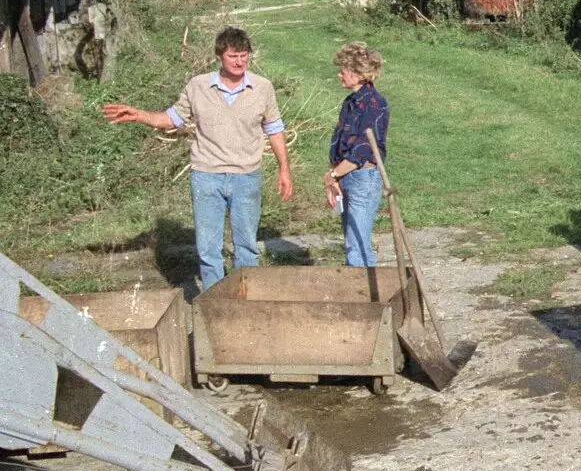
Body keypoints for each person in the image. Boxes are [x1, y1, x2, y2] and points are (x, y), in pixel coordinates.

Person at [102, 27, 292, 290]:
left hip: (246, 177)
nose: (239, 62)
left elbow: (274, 129)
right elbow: (171, 119)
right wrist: (138, 115)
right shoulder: (198, 86)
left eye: (244, 56)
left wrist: (284, 169)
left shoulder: (262, 88)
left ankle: (248, 301)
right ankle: (214, 303)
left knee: (246, 245)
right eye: (233, 56)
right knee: (207, 248)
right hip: (206, 177)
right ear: (219, 57)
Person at [324, 42, 390, 267]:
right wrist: (335, 176)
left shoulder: (373, 104)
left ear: (357, 72)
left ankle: (367, 297)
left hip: (363, 178)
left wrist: (333, 175)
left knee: (358, 248)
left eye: (343, 69)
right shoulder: (350, 102)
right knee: (353, 242)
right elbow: (341, 142)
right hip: (347, 175)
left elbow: (363, 148)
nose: (339, 74)